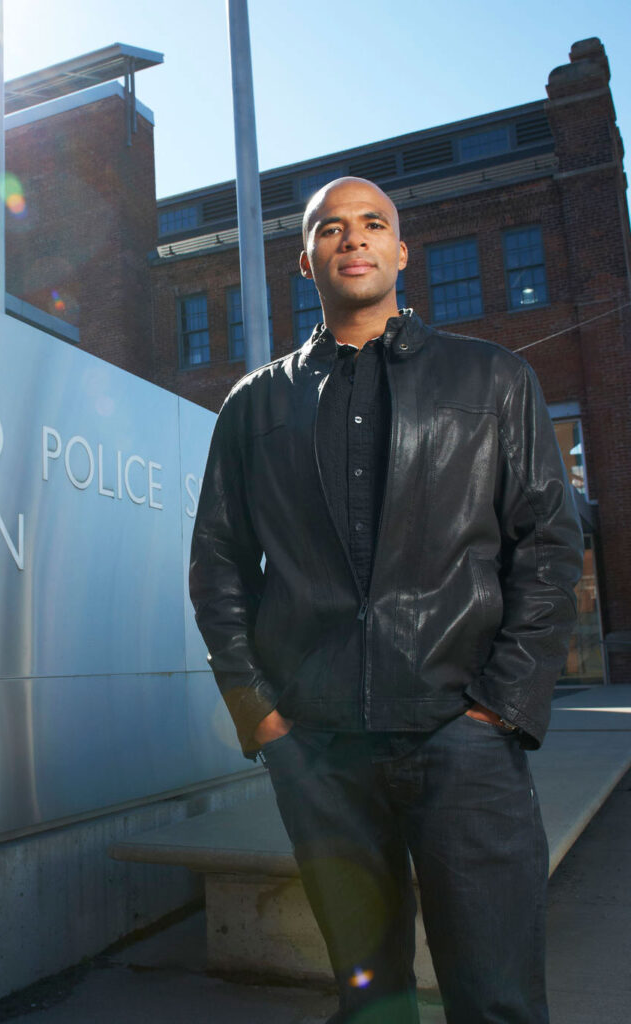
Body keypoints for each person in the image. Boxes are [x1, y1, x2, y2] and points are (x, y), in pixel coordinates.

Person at [188, 177, 583, 1024]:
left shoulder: (494, 378)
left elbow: (549, 550)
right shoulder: (254, 406)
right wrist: (262, 716)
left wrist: (502, 706)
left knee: (498, 999)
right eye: (332, 229)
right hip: (322, 752)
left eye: (373, 225)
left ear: (402, 252)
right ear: (306, 261)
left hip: (465, 741)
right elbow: (218, 565)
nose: (353, 239)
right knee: (372, 1002)